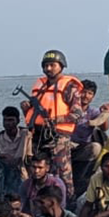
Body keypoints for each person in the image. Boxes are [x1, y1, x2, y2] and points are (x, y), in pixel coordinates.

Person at [21, 50, 84, 202]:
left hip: (58, 137)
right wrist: (26, 108)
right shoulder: (40, 86)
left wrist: (55, 120)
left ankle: (67, 204)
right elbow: (32, 114)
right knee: (37, 171)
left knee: (62, 174)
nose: (48, 69)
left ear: (61, 66)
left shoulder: (69, 86)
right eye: (46, 65)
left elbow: (77, 114)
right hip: (38, 136)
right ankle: (38, 203)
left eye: (52, 65)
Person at [67, 80, 109, 193]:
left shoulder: (93, 112)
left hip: (82, 147)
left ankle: (83, 177)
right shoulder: (67, 108)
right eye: (83, 92)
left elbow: (104, 128)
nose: (86, 96)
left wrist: (104, 114)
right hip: (66, 144)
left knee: (96, 147)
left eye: (90, 93)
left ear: (93, 96)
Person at [0, 106, 27, 198]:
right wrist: (2, 155)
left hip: (22, 169)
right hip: (5, 170)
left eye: (11, 120)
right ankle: (1, 189)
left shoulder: (26, 134)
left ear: (18, 121)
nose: (8, 123)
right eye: (5, 120)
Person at [18, 151, 68, 217]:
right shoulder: (26, 185)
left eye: (40, 168)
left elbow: (61, 207)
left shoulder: (57, 184)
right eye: (34, 167)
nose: (36, 171)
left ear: (47, 168)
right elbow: (21, 205)